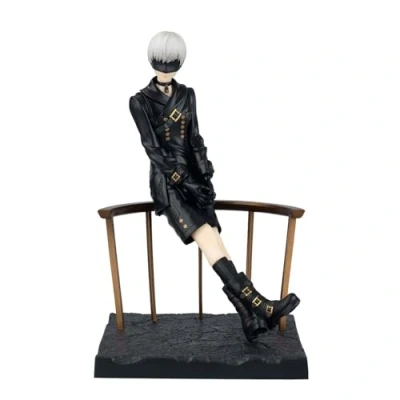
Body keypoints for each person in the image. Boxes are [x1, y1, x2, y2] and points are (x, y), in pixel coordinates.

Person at [129, 31, 300, 342]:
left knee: (216, 243)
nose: (166, 69)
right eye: (161, 62)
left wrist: (205, 174)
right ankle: (263, 306)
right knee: (209, 240)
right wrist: (184, 182)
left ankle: (249, 317)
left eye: (171, 62)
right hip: (168, 184)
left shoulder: (188, 95)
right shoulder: (139, 101)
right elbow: (153, 149)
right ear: (151, 61)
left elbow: (194, 138)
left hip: (195, 178)